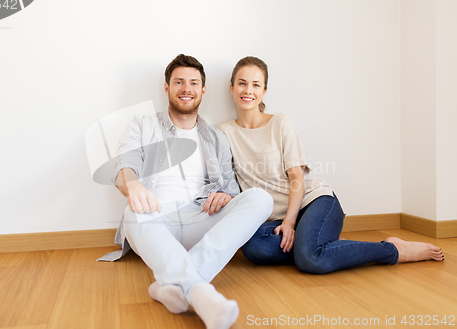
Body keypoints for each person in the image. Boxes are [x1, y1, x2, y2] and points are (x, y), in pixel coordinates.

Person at [217, 56, 444, 274]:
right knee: (254, 248)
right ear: (232, 87)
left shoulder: (280, 123)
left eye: (256, 85)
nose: (248, 90)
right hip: (272, 220)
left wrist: (289, 221)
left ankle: (392, 250)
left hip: (313, 201)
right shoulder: (224, 132)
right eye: (242, 83)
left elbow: (297, 178)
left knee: (310, 259)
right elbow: (227, 181)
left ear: (264, 91)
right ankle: (321, 243)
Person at [99, 54, 273, 329]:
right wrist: (132, 185)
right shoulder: (143, 125)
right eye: (178, 82)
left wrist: (226, 197)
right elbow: (125, 163)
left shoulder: (216, 137)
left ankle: (175, 286)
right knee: (131, 211)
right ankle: (202, 294)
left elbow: (229, 188)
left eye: (193, 83)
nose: (186, 88)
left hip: (199, 217)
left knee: (260, 198)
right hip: (154, 216)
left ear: (203, 90)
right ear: (166, 88)